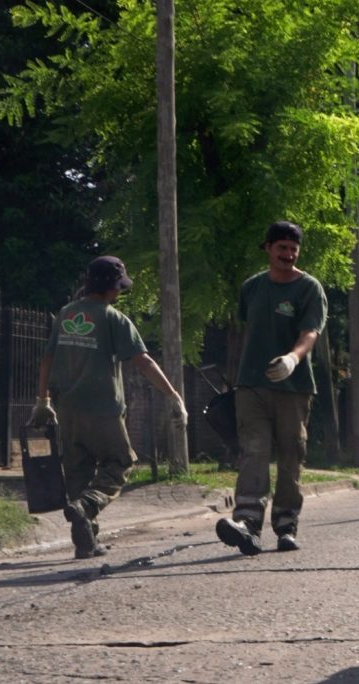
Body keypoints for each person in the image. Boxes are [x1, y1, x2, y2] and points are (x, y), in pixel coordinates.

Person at [30, 256, 188, 560]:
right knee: (120, 462)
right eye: (119, 287)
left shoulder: (65, 314)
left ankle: (85, 542)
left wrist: (42, 400)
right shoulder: (112, 318)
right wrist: (173, 395)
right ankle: (88, 506)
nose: (120, 293)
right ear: (111, 287)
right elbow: (143, 361)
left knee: (77, 471)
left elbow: (47, 359)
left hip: (68, 409)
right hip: (102, 407)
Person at [215, 221, 327, 555]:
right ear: (268, 248)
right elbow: (245, 331)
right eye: (282, 248)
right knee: (254, 451)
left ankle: (285, 525)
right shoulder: (251, 288)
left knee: (291, 455)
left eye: (294, 249)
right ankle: (247, 524)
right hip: (251, 385)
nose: (288, 254)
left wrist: (292, 359)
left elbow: (310, 333)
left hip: (293, 387)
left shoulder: (309, 289)